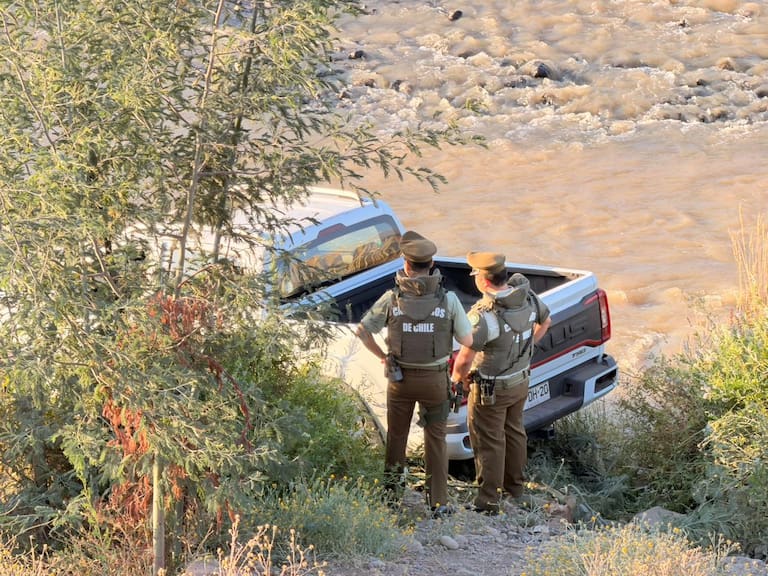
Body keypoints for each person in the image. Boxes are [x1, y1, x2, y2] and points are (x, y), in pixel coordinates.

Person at [355, 231, 473, 517]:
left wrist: (383, 357)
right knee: (436, 440)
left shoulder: (391, 299)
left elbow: (362, 330)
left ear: (406, 266)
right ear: (431, 265)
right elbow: (469, 342)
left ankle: (392, 498)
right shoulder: (449, 301)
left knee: (396, 438)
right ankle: (438, 503)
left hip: (400, 381)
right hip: (435, 381)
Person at [450, 252, 551, 515]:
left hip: (490, 390)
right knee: (515, 432)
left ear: (483, 281)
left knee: (489, 441)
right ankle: (515, 490)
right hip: (519, 381)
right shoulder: (526, 297)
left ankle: (488, 503)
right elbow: (546, 321)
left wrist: (456, 379)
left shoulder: (483, 315)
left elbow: (464, 358)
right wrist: (527, 352)